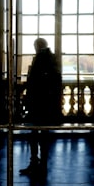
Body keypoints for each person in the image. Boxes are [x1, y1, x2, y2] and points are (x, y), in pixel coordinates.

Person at [20, 37, 62, 175]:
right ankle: (42, 164)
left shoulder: (40, 58)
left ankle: (35, 163)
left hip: (38, 104)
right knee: (43, 136)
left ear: (38, 46)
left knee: (34, 135)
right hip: (45, 105)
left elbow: (35, 82)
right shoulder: (50, 59)